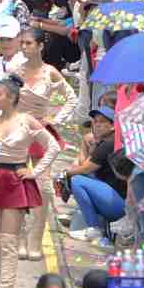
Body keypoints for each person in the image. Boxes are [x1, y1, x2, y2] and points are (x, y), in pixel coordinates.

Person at [0, 78, 60, 288]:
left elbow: (53, 146)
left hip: (15, 180)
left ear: (11, 97)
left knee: (9, 239)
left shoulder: (26, 121)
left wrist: (35, 172)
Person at [13, 28, 75, 261]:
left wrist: (55, 119)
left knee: (44, 187)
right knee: (15, 185)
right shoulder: (15, 71)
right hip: (17, 131)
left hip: (40, 132)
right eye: (22, 43)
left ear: (40, 46)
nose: (24, 47)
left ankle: (35, 240)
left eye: (28, 43)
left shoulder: (51, 73)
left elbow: (71, 98)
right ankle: (19, 238)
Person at [61, 106, 126, 250]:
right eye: (95, 122)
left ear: (113, 126)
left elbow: (84, 168)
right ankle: (89, 223)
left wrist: (65, 173)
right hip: (114, 200)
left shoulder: (108, 144)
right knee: (81, 178)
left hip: (119, 205)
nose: (96, 125)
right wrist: (85, 144)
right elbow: (84, 165)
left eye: (102, 122)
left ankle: (94, 228)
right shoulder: (103, 143)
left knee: (76, 180)